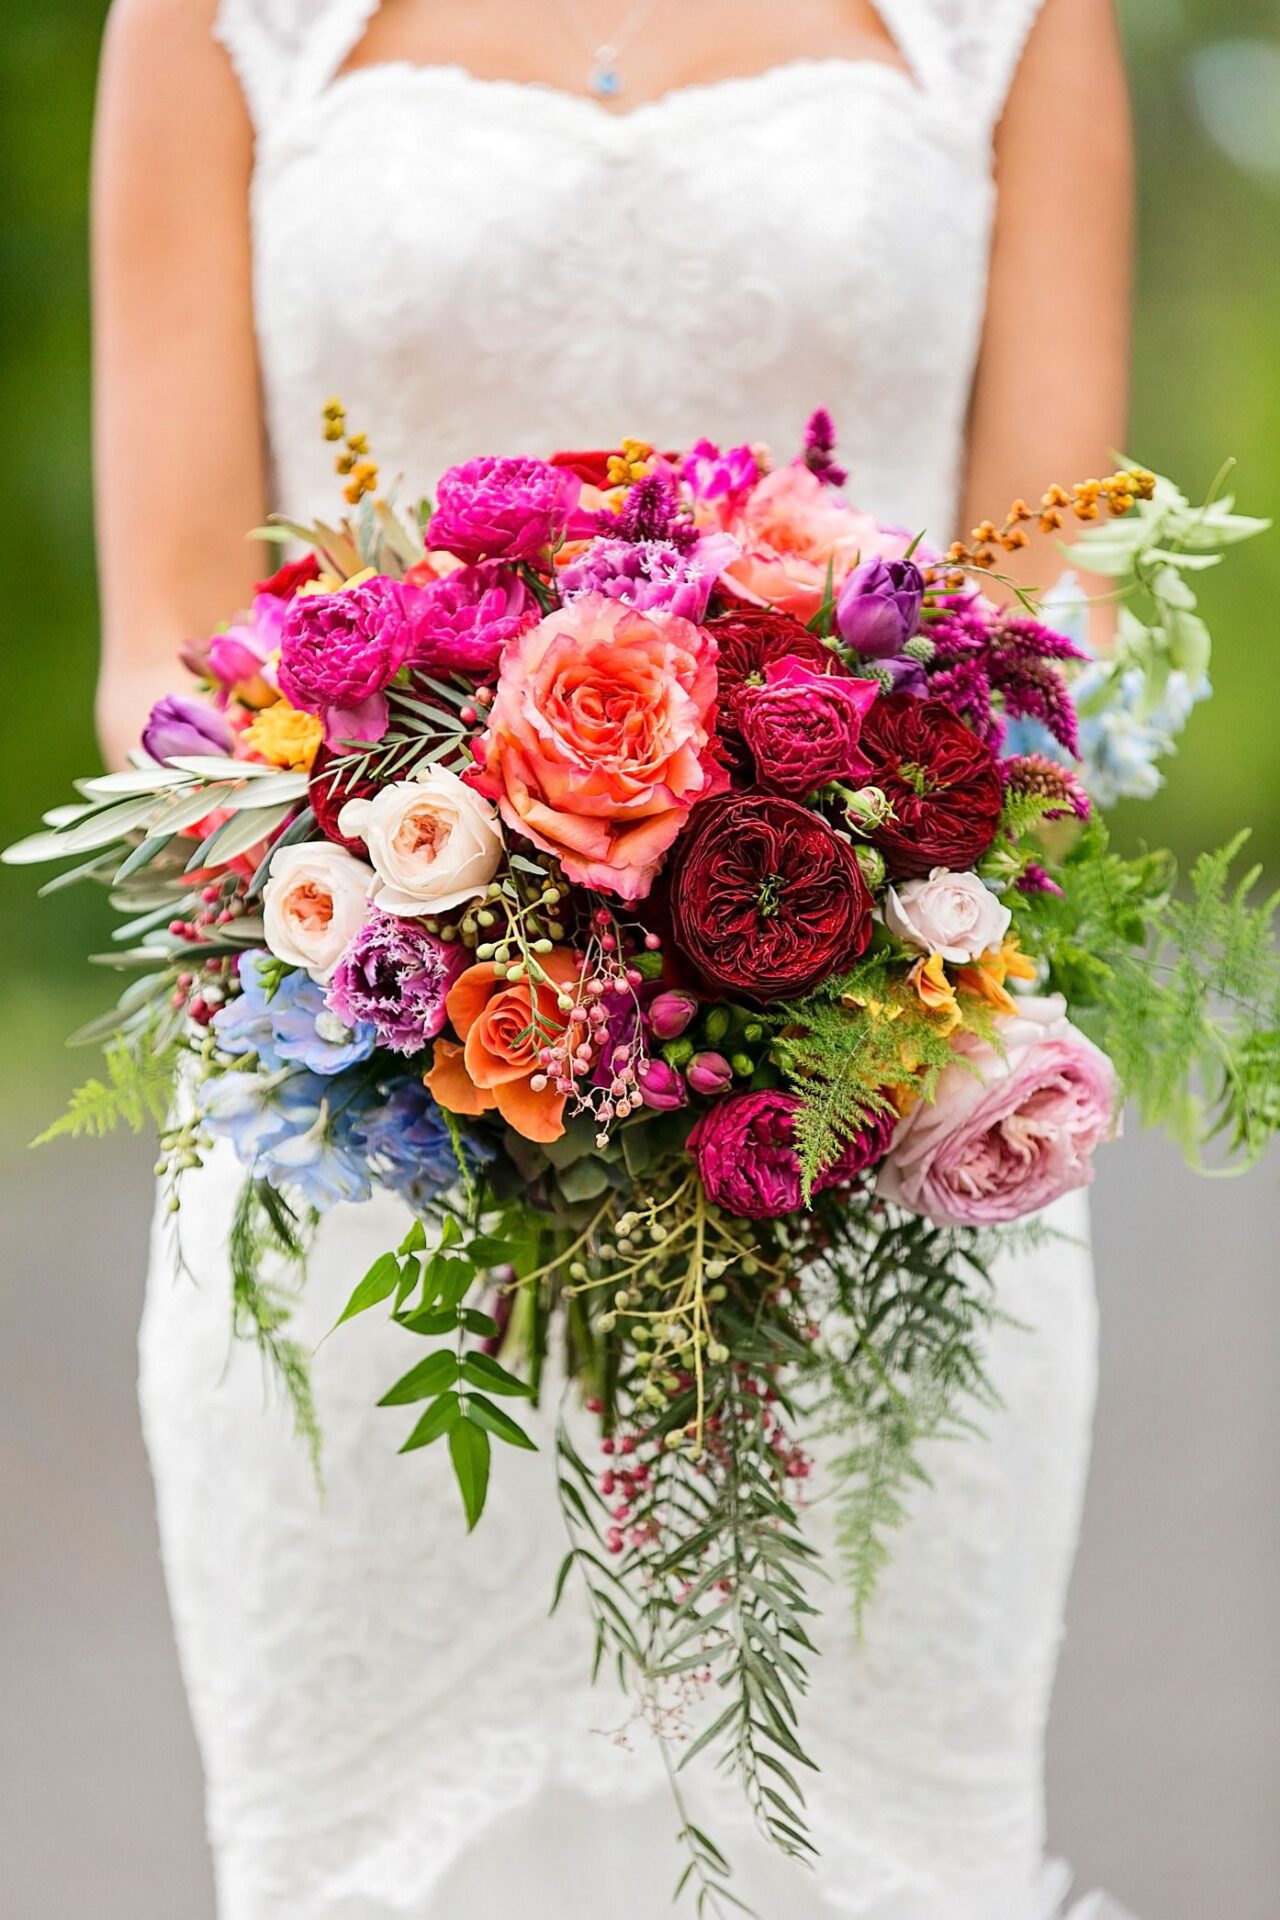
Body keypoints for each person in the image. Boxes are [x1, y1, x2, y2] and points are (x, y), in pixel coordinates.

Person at [93, 3, 1135, 1914]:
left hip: (874, 1123)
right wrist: (455, 915)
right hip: (361, 1125)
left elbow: (1049, 615)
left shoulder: (1015, 22)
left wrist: (797, 938)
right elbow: (164, 634)